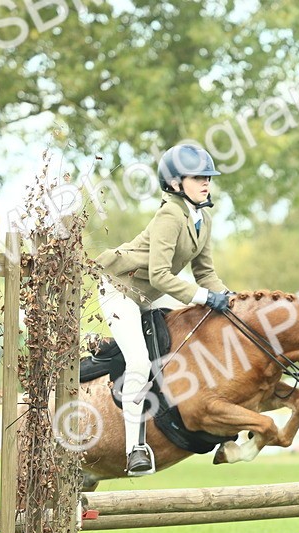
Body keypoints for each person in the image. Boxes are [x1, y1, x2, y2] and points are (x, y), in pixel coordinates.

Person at [93, 142, 234, 476]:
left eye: (208, 177)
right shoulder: (170, 215)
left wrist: (230, 299)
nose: (206, 183)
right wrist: (202, 297)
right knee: (140, 363)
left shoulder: (203, 218)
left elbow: (205, 274)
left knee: (200, 327)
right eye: (197, 177)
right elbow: (160, 274)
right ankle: (134, 449)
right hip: (120, 290)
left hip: (150, 292)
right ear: (174, 184)